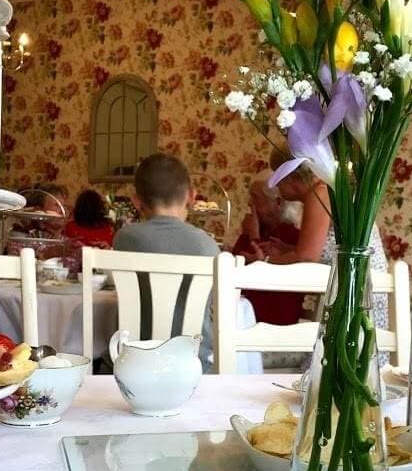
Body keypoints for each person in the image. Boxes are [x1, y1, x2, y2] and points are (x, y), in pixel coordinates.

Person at [250, 150, 389, 336]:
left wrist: (264, 261)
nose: (274, 184)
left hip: (355, 296)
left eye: (277, 175)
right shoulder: (327, 189)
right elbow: (325, 249)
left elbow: (307, 257)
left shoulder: (319, 193)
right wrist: (288, 250)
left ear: (289, 175)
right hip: (358, 289)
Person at [113, 153, 220, 371]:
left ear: (136, 201)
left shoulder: (124, 238)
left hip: (133, 363)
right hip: (195, 363)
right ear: (192, 196)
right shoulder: (208, 246)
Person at [232, 175, 303, 325]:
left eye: (256, 198)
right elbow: (233, 264)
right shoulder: (256, 228)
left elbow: (258, 275)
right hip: (245, 312)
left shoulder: (291, 235)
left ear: (277, 203)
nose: (250, 203)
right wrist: (250, 235)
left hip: (273, 318)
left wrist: (254, 237)